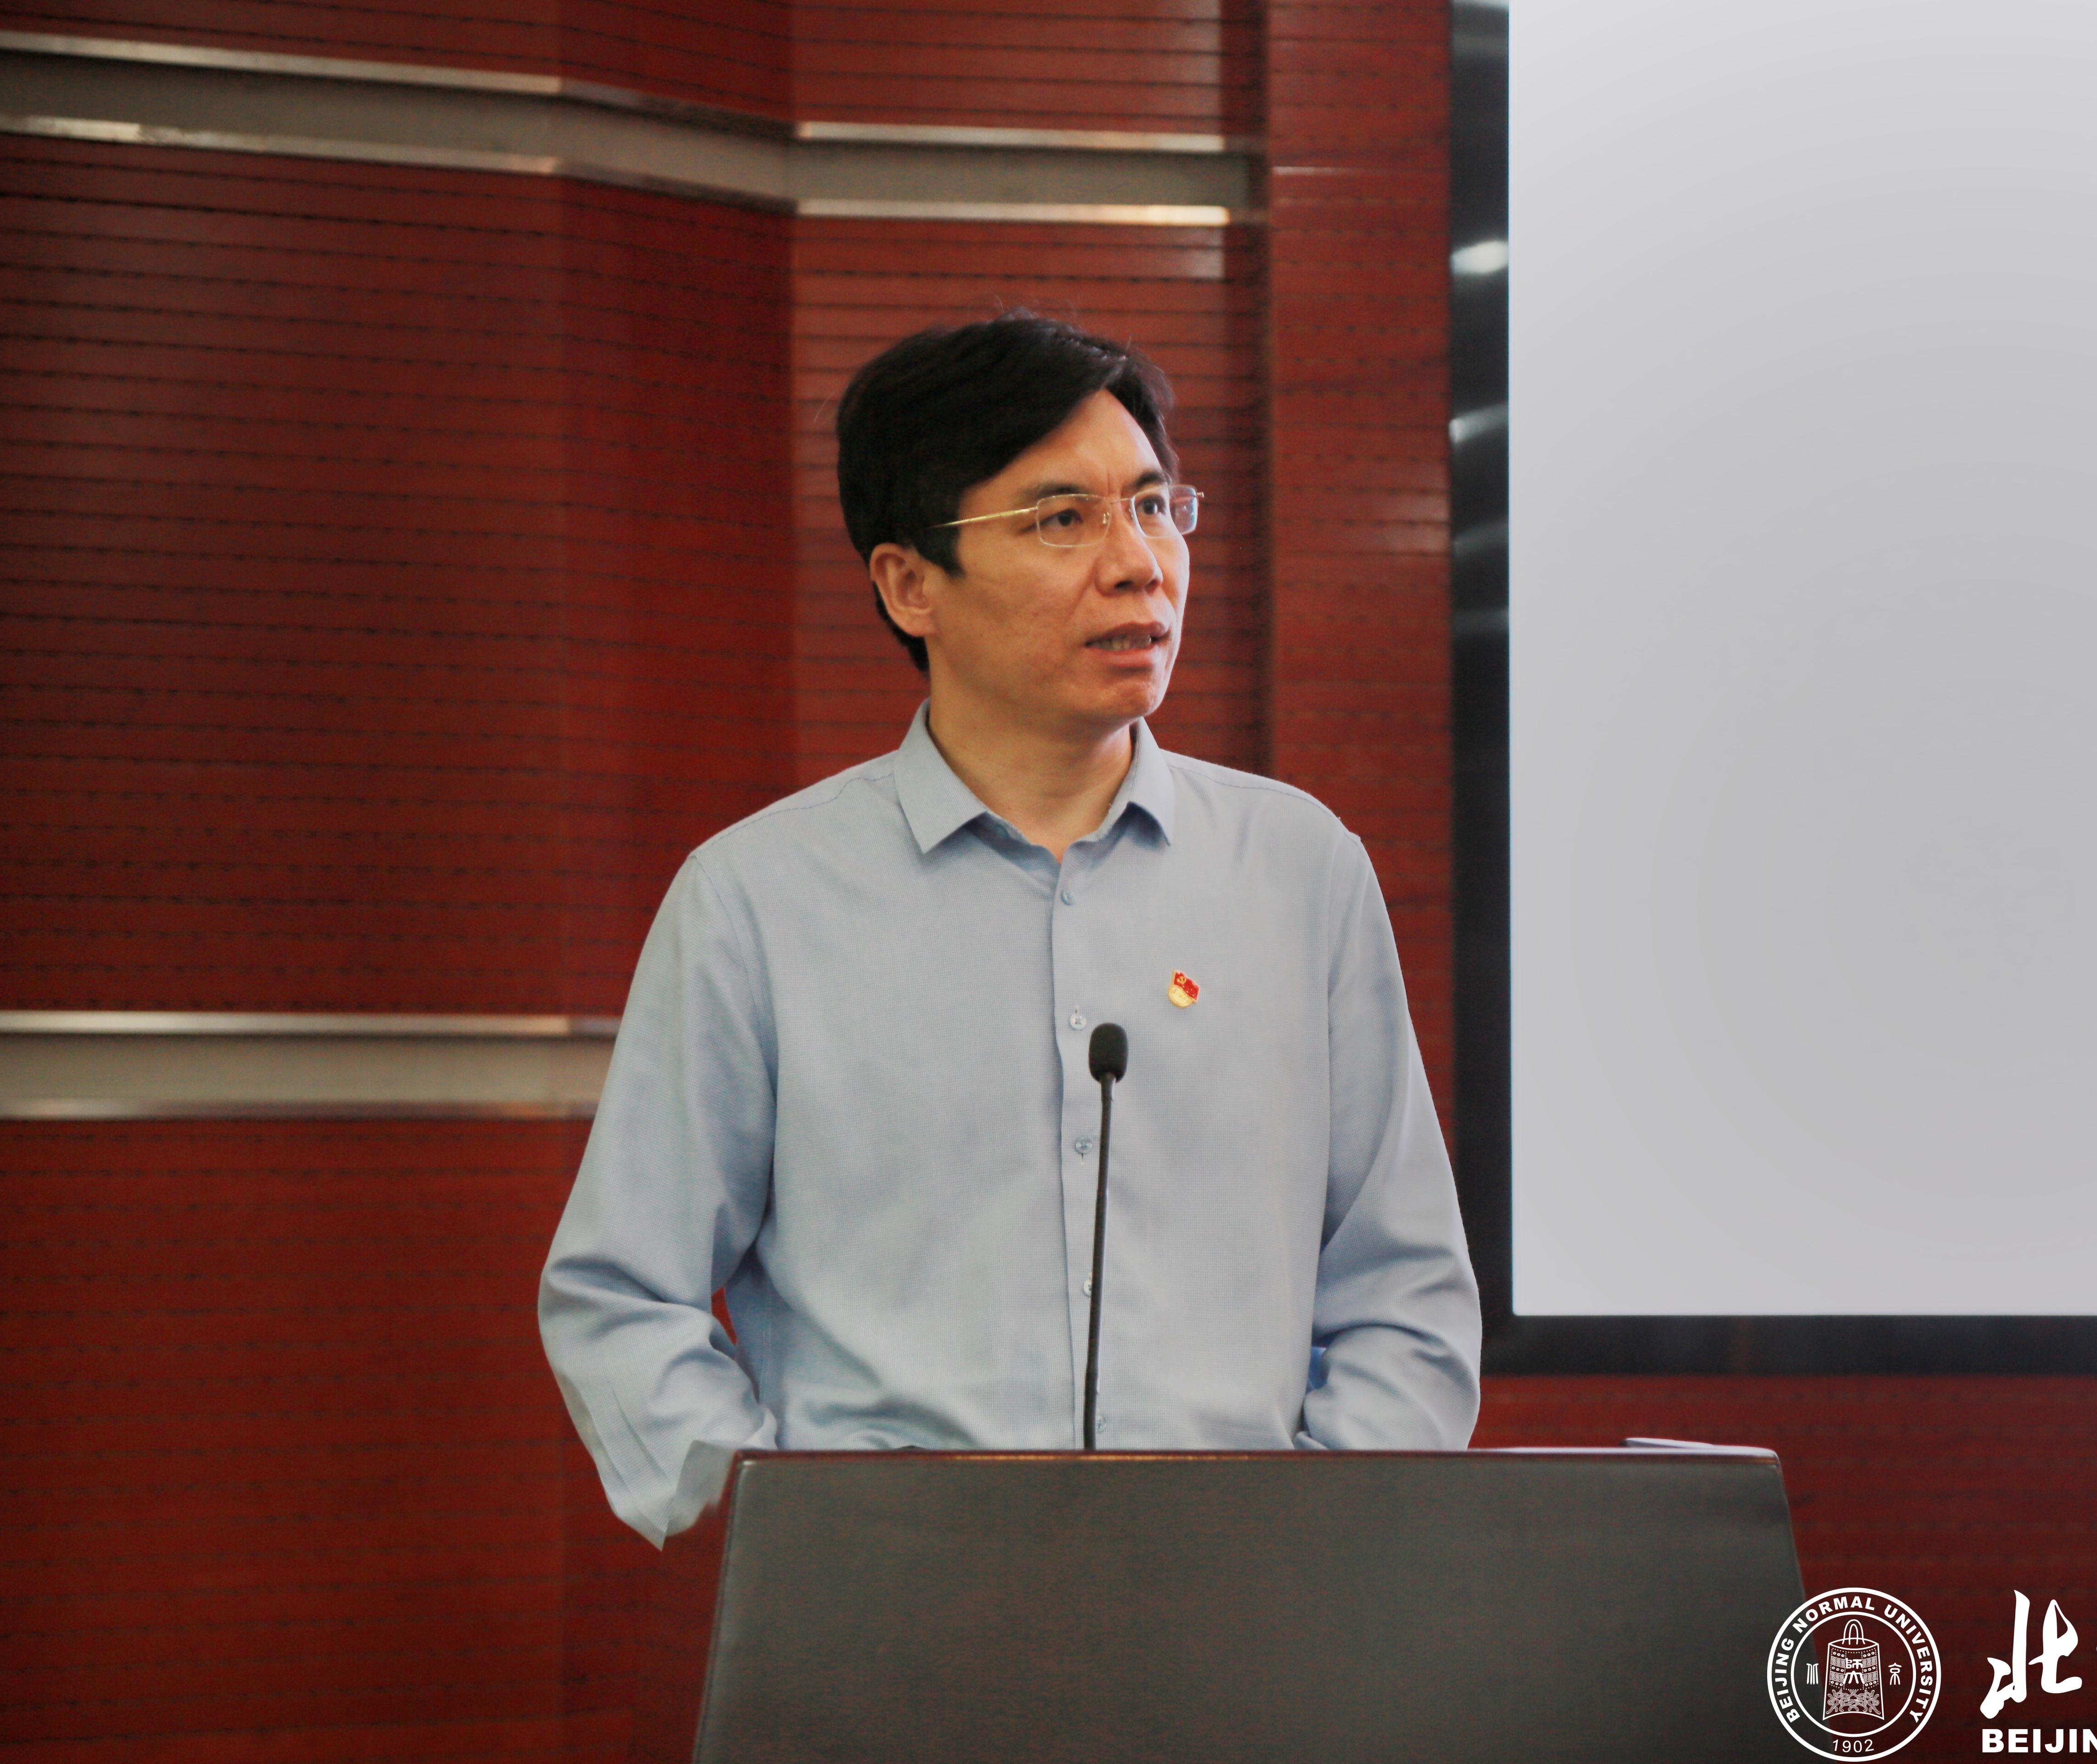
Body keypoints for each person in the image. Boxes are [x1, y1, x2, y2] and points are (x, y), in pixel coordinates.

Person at [538, 311, 1479, 1546]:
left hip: (1248, 1602)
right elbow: (623, 1296)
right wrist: (791, 1540)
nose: (1138, 563)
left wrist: (1306, 1545)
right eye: (1060, 519)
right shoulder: (759, 901)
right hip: (889, 1615)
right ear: (909, 583)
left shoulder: (1300, 874)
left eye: (1154, 506)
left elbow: (1405, 1296)